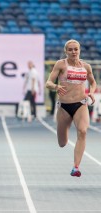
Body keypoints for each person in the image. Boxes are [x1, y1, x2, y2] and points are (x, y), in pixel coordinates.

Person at [45, 39, 96, 177]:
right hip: (64, 107)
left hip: (81, 104)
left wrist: (91, 91)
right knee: (62, 142)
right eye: (70, 49)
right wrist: (56, 86)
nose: (73, 52)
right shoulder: (61, 64)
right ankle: (64, 139)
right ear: (66, 52)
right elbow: (48, 82)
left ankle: (76, 167)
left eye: (76, 49)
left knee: (83, 131)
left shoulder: (86, 66)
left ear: (79, 50)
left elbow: (93, 82)